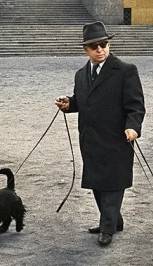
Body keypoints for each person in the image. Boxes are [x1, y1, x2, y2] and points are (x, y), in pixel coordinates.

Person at [55, 21, 145, 247]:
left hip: (117, 138)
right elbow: (84, 101)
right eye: (94, 46)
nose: (100, 50)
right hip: (91, 138)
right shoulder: (80, 75)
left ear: (109, 45)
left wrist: (133, 127)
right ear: (86, 49)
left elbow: (136, 106)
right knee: (97, 181)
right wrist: (69, 104)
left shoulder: (125, 71)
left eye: (103, 45)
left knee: (113, 183)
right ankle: (114, 220)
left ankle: (107, 228)